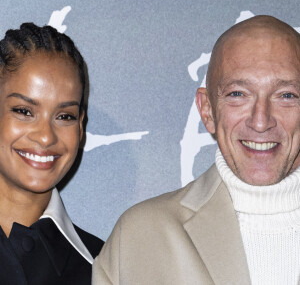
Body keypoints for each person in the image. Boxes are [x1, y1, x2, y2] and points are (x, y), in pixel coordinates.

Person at [93, 15, 300, 285]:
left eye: (286, 95)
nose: (261, 121)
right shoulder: (139, 237)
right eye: (238, 94)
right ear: (207, 110)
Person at [0, 23, 103, 284]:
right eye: (24, 111)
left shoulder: (106, 265)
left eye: (64, 116)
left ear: (80, 126)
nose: (46, 136)